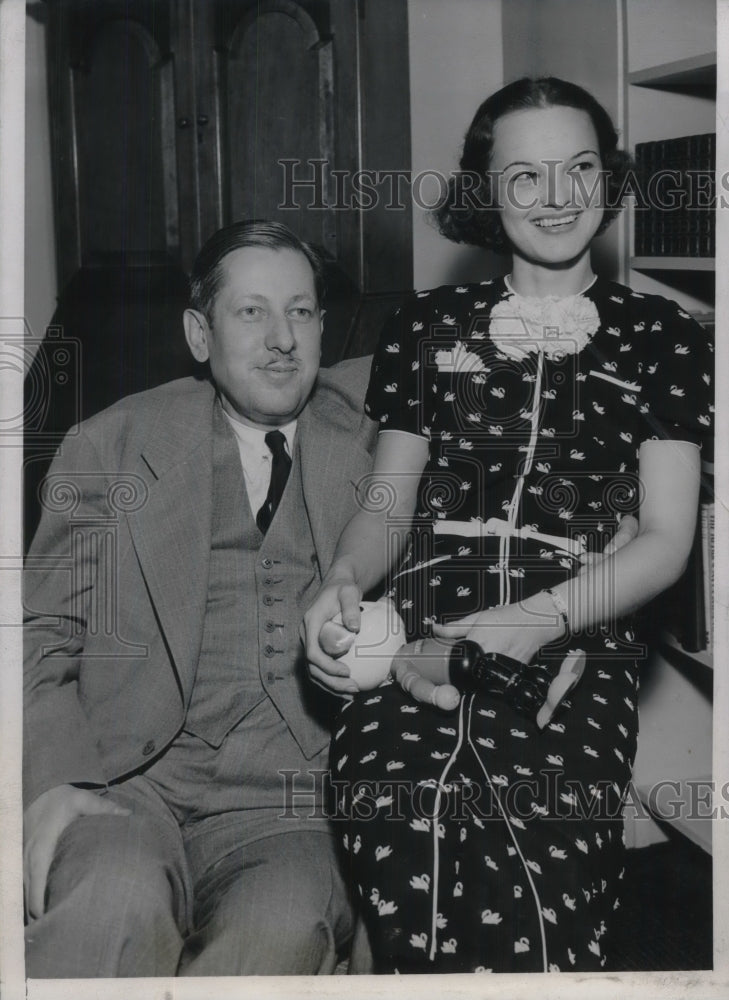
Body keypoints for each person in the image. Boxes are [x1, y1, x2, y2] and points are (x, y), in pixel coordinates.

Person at [302, 77, 713, 973]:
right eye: (524, 176)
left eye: (578, 168)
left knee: (533, 863)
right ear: (486, 193)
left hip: (576, 635)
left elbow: (666, 539)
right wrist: (340, 577)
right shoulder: (425, 323)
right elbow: (389, 499)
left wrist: (533, 622)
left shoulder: (665, 335)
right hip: (420, 627)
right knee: (410, 821)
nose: (556, 197)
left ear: (610, 179)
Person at [22, 220, 378, 977]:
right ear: (198, 333)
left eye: (302, 312)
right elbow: (43, 634)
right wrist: (53, 781)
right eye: (251, 312)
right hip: (132, 780)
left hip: (288, 801)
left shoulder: (376, 452)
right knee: (109, 906)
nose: (283, 338)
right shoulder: (109, 445)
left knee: (280, 933)